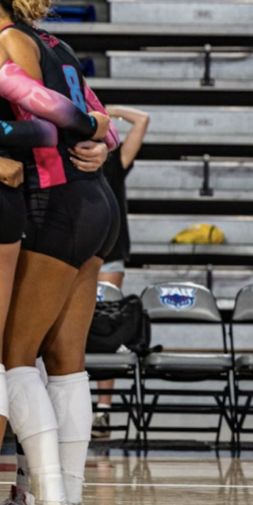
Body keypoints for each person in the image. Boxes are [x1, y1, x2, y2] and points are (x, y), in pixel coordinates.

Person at [0, 0, 120, 505]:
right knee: (66, 361)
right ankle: (64, 503)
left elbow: (45, 119)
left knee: (13, 356)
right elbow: (98, 117)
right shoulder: (58, 43)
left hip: (56, 204)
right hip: (97, 204)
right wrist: (100, 139)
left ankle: (50, 502)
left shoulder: (5, 43)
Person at [94, 106, 151, 434]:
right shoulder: (73, 157)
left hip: (110, 253)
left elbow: (142, 119)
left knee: (106, 327)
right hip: (77, 250)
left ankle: (103, 409)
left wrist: (109, 109)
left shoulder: (116, 162)